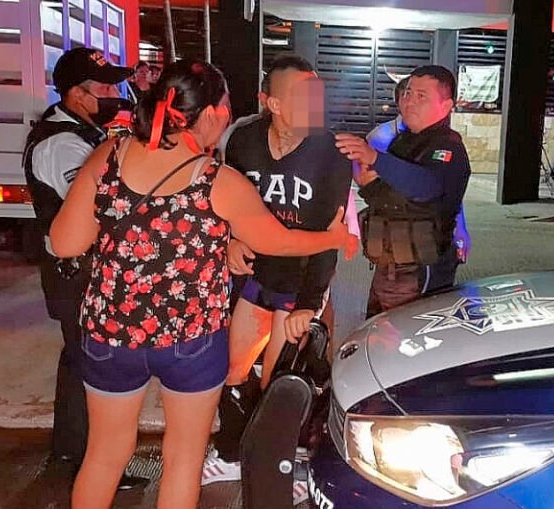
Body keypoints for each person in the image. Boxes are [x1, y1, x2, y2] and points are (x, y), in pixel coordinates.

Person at [49, 59, 350, 509]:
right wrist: (333, 237)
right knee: (183, 460)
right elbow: (279, 241)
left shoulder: (109, 155)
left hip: (111, 332)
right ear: (207, 115)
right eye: (225, 108)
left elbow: (64, 242)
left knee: (105, 453)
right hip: (190, 337)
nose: (229, 117)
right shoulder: (215, 180)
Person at [202, 55, 353, 490]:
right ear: (273, 103)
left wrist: (310, 303)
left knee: (283, 382)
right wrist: (229, 241)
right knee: (232, 369)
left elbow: (330, 237)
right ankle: (232, 452)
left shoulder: (331, 153)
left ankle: (295, 463)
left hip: (301, 278)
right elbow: (224, 204)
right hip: (256, 276)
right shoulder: (243, 140)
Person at [22, 47, 145, 487]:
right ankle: (88, 464)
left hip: (84, 271)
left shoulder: (86, 133)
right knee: (93, 367)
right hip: (76, 274)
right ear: (76, 94)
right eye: (106, 89)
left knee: (83, 363)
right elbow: (104, 204)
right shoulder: (61, 143)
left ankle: (75, 453)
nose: (116, 96)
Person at [335, 65, 471, 318]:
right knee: (376, 331)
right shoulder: (402, 141)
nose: (410, 101)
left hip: (420, 269)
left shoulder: (447, 147)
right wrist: (369, 182)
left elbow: (426, 188)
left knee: (408, 336)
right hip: (389, 265)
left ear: (445, 106)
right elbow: (389, 194)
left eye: (421, 96)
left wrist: (375, 159)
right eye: (407, 93)